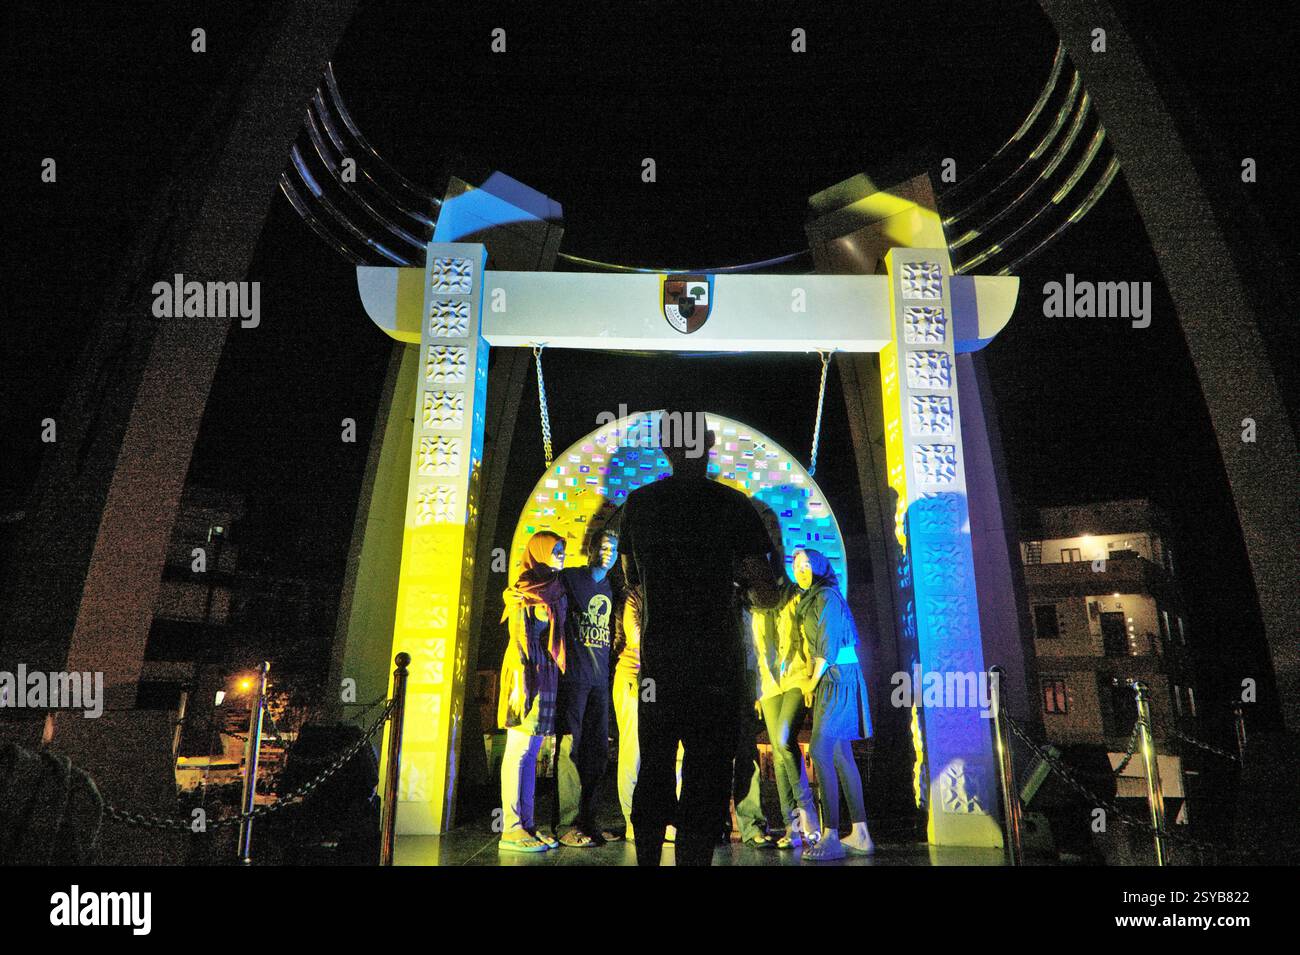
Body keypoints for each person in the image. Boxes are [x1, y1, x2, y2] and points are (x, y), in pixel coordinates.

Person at [619, 412, 778, 866]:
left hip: (660, 662)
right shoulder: (732, 504)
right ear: (708, 447)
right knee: (706, 774)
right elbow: (764, 588)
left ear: (665, 449)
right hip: (716, 664)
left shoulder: (640, 504)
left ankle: (648, 855)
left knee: (654, 767)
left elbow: (632, 580)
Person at [791, 547, 874, 862]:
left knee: (821, 750)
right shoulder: (815, 597)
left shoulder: (825, 597)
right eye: (796, 565)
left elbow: (826, 645)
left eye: (807, 563)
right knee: (840, 754)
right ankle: (860, 832)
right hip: (836, 677)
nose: (801, 569)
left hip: (837, 677)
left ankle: (830, 835)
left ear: (821, 566)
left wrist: (811, 682)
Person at [496, 532, 568, 853]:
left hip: (547, 674)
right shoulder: (524, 588)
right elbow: (518, 639)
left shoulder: (555, 588)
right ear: (538, 551)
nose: (561, 554)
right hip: (525, 673)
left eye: (563, 549)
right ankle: (510, 828)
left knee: (532, 751)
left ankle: (527, 824)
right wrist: (520, 682)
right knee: (518, 749)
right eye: (555, 549)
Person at [552, 528, 622, 847]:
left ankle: (588, 821)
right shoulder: (569, 578)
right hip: (572, 681)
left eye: (614, 549)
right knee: (569, 750)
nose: (608, 552)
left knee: (597, 755)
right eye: (604, 546)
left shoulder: (614, 589)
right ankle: (566, 824)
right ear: (591, 548)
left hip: (599, 684)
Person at [750, 572, 821, 849]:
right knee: (778, 754)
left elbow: (806, 635)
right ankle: (791, 827)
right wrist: (758, 688)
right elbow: (754, 647)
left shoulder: (793, 593)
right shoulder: (753, 599)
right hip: (768, 682)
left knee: (783, 740)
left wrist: (812, 678)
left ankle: (808, 814)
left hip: (796, 675)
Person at [611, 584, 682, 843]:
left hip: (665, 681)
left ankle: (668, 819)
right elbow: (637, 636)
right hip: (634, 676)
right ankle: (633, 822)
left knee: (669, 753)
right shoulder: (635, 595)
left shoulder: (673, 593)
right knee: (634, 751)